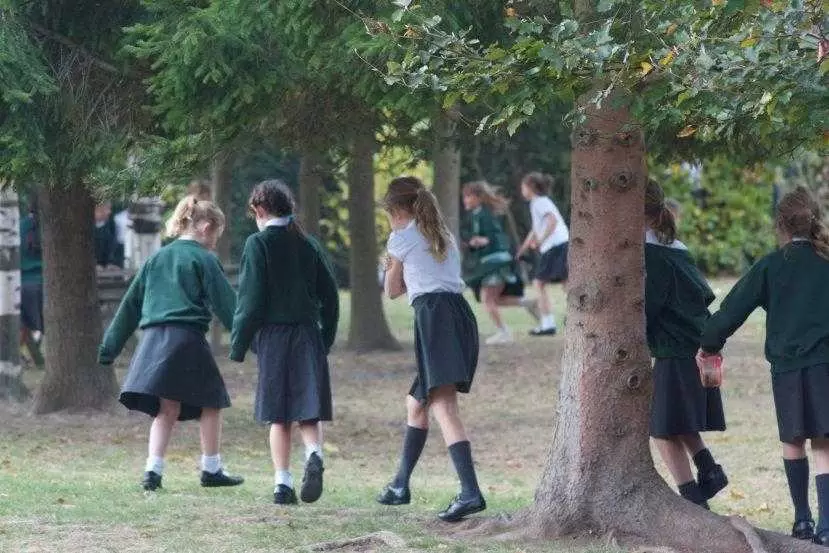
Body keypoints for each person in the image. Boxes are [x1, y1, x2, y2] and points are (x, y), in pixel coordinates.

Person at [699, 187, 829, 545]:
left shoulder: (770, 266)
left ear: (781, 225)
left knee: (793, 440)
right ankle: (827, 527)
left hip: (787, 369)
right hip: (824, 365)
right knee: (824, 442)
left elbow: (733, 309)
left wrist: (709, 342)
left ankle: (802, 521)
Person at [98, 195, 243, 492]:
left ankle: (153, 471)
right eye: (216, 233)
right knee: (213, 402)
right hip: (186, 338)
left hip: (153, 341)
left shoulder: (156, 258)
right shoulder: (204, 258)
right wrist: (246, 340)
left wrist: (109, 349)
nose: (215, 240)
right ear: (204, 226)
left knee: (166, 409)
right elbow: (227, 305)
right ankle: (211, 468)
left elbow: (130, 307)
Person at [376, 176, 486, 523]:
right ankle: (399, 486)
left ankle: (470, 492)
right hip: (458, 314)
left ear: (396, 210)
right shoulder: (442, 234)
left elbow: (392, 291)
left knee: (443, 405)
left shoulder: (400, 238)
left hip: (434, 319)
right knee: (417, 403)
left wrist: (390, 266)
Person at [230, 180, 339, 506]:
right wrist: (326, 338)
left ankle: (282, 484)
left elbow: (250, 300)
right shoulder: (309, 244)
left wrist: (239, 344)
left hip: (274, 336)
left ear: (260, 210)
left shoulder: (257, 244)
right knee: (308, 409)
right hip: (307, 334)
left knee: (278, 414)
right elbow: (330, 295)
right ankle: (315, 453)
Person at [644, 180, 727, 510]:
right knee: (678, 420)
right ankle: (709, 470)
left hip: (675, 351)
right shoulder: (677, 248)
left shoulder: (651, 253)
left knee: (662, 429)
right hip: (696, 347)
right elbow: (703, 294)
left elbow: (648, 307)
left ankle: (692, 500)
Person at [460, 181, 538, 345]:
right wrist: (474, 241)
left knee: (487, 299)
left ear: (479, 198)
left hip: (495, 264)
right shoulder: (476, 214)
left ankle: (504, 333)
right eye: (464, 197)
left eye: (468, 196)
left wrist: (485, 240)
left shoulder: (486, 214)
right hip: (490, 264)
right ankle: (528, 303)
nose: (465, 200)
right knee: (494, 300)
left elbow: (497, 236)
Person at [515, 172, 569, 336]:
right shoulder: (537, 203)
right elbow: (535, 230)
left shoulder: (540, 202)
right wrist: (523, 249)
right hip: (560, 245)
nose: (521, 190)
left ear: (530, 187)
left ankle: (548, 325)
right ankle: (562, 321)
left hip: (556, 246)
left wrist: (540, 241)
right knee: (566, 283)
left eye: (523, 187)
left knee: (539, 283)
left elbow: (552, 221)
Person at [19, 196, 45, 369]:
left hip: (17, 284)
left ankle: (20, 355)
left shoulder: (18, 226)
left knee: (22, 323)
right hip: (42, 284)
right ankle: (35, 357)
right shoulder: (49, 228)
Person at [94, 201, 119, 270]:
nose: (109, 212)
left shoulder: (110, 226)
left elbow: (111, 248)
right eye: (107, 209)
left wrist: (110, 263)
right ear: (97, 209)